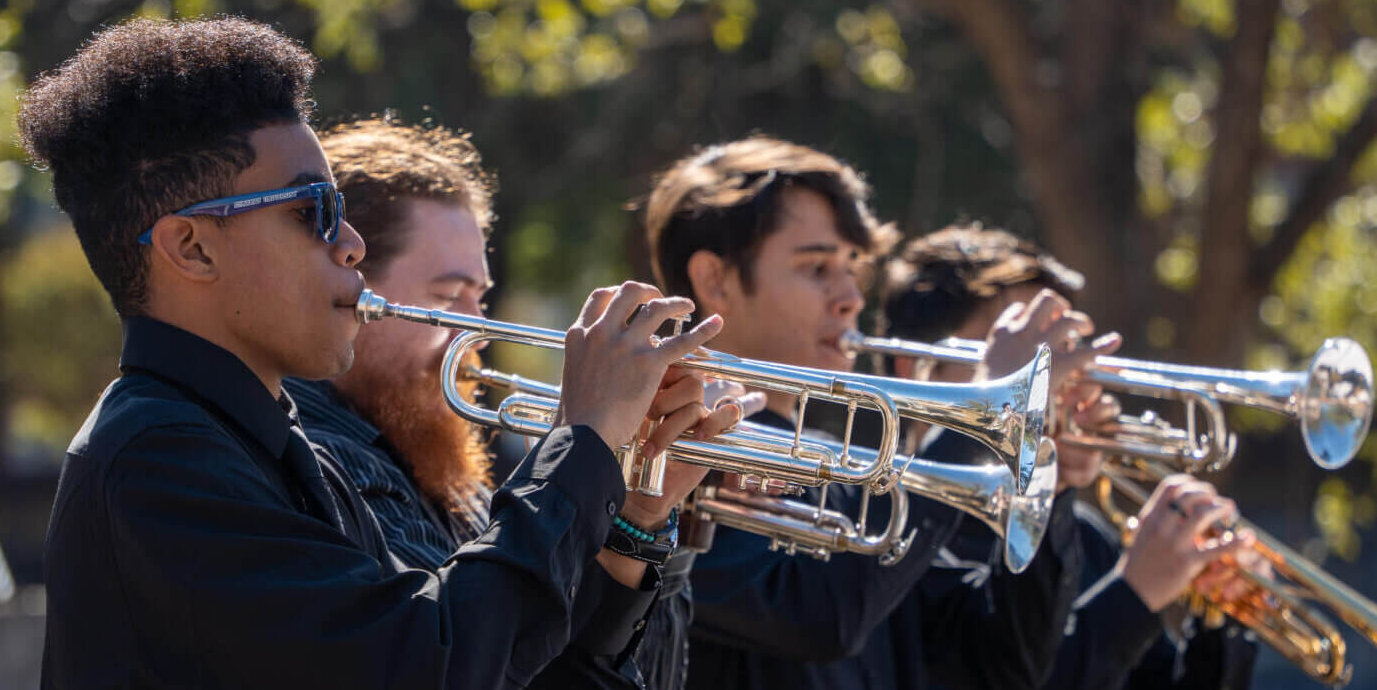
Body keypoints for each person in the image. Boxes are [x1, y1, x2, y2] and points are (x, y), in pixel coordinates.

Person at [28, 18, 724, 688]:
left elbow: (502, 669)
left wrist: (632, 518)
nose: (350, 242)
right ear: (192, 247)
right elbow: (429, 665)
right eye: (313, 211)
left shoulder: (266, 443)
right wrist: (583, 439)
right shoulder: (158, 458)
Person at [639, 136, 1113, 690]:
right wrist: (990, 415)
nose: (850, 298)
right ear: (716, 280)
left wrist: (1039, 467)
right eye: (817, 268)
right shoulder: (668, 462)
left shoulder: (845, 471)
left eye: (852, 268)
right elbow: (819, 616)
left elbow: (996, 663)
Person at [285, 116, 734, 688]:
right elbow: (459, 663)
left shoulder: (456, 475)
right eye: (448, 297)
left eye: (481, 297)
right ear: (351, 289)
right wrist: (584, 440)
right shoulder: (320, 462)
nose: (479, 331)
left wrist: (640, 519)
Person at [882, 224, 1258, 690]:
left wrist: (1222, 622)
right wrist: (1135, 596)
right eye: (1019, 353)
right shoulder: (885, 540)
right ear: (916, 368)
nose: (1058, 382)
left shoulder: (1084, 540)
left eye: (1062, 353)